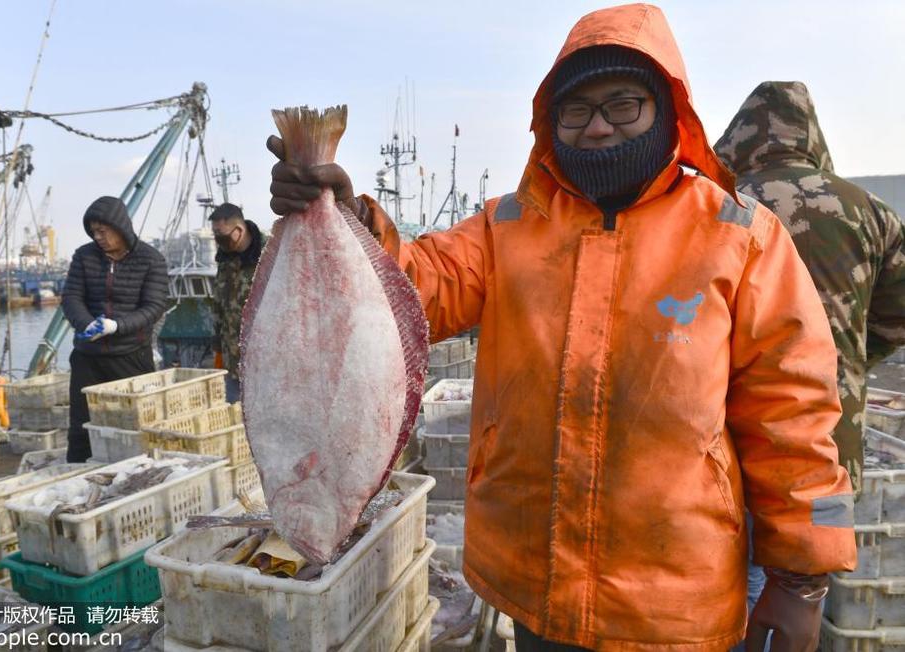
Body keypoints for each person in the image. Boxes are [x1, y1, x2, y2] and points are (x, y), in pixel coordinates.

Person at [268, 4, 857, 650]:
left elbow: (794, 416)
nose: (599, 127)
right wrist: (345, 219)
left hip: (675, 604)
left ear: (667, 109)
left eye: (624, 104)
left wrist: (800, 581)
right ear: (551, 123)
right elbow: (414, 290)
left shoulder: (741, 238)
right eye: (576, 110)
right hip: (531, 584)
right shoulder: (504, 227)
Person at [716, 81, 905, 495]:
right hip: (832, 436)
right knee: (824, 543)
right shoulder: (871, 211)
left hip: (732, 436)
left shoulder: (719, 205)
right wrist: (844, 361)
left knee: (730, 548)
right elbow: (898, 316)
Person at [61, 196, 169, 462]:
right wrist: (86, 324)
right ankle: (76, 472)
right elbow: (71, 298)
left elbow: (154, 307)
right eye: (93, 232)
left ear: (119, 227)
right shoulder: (84, 256)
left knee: (138, 425)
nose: (97, 237)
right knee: (81, 426)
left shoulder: (151, 259)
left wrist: (116, 326)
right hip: (89, 357)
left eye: (102, 231)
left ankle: (142, 471)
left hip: (131, 355)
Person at [209, 202, 264, 401]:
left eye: (222, 236)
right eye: (215, 236)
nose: (218, 241)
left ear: (239, 230)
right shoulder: (224, 260)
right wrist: (217, 347)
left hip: (264, 363)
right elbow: (219, 305)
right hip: (232, 364)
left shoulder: (268, 256)